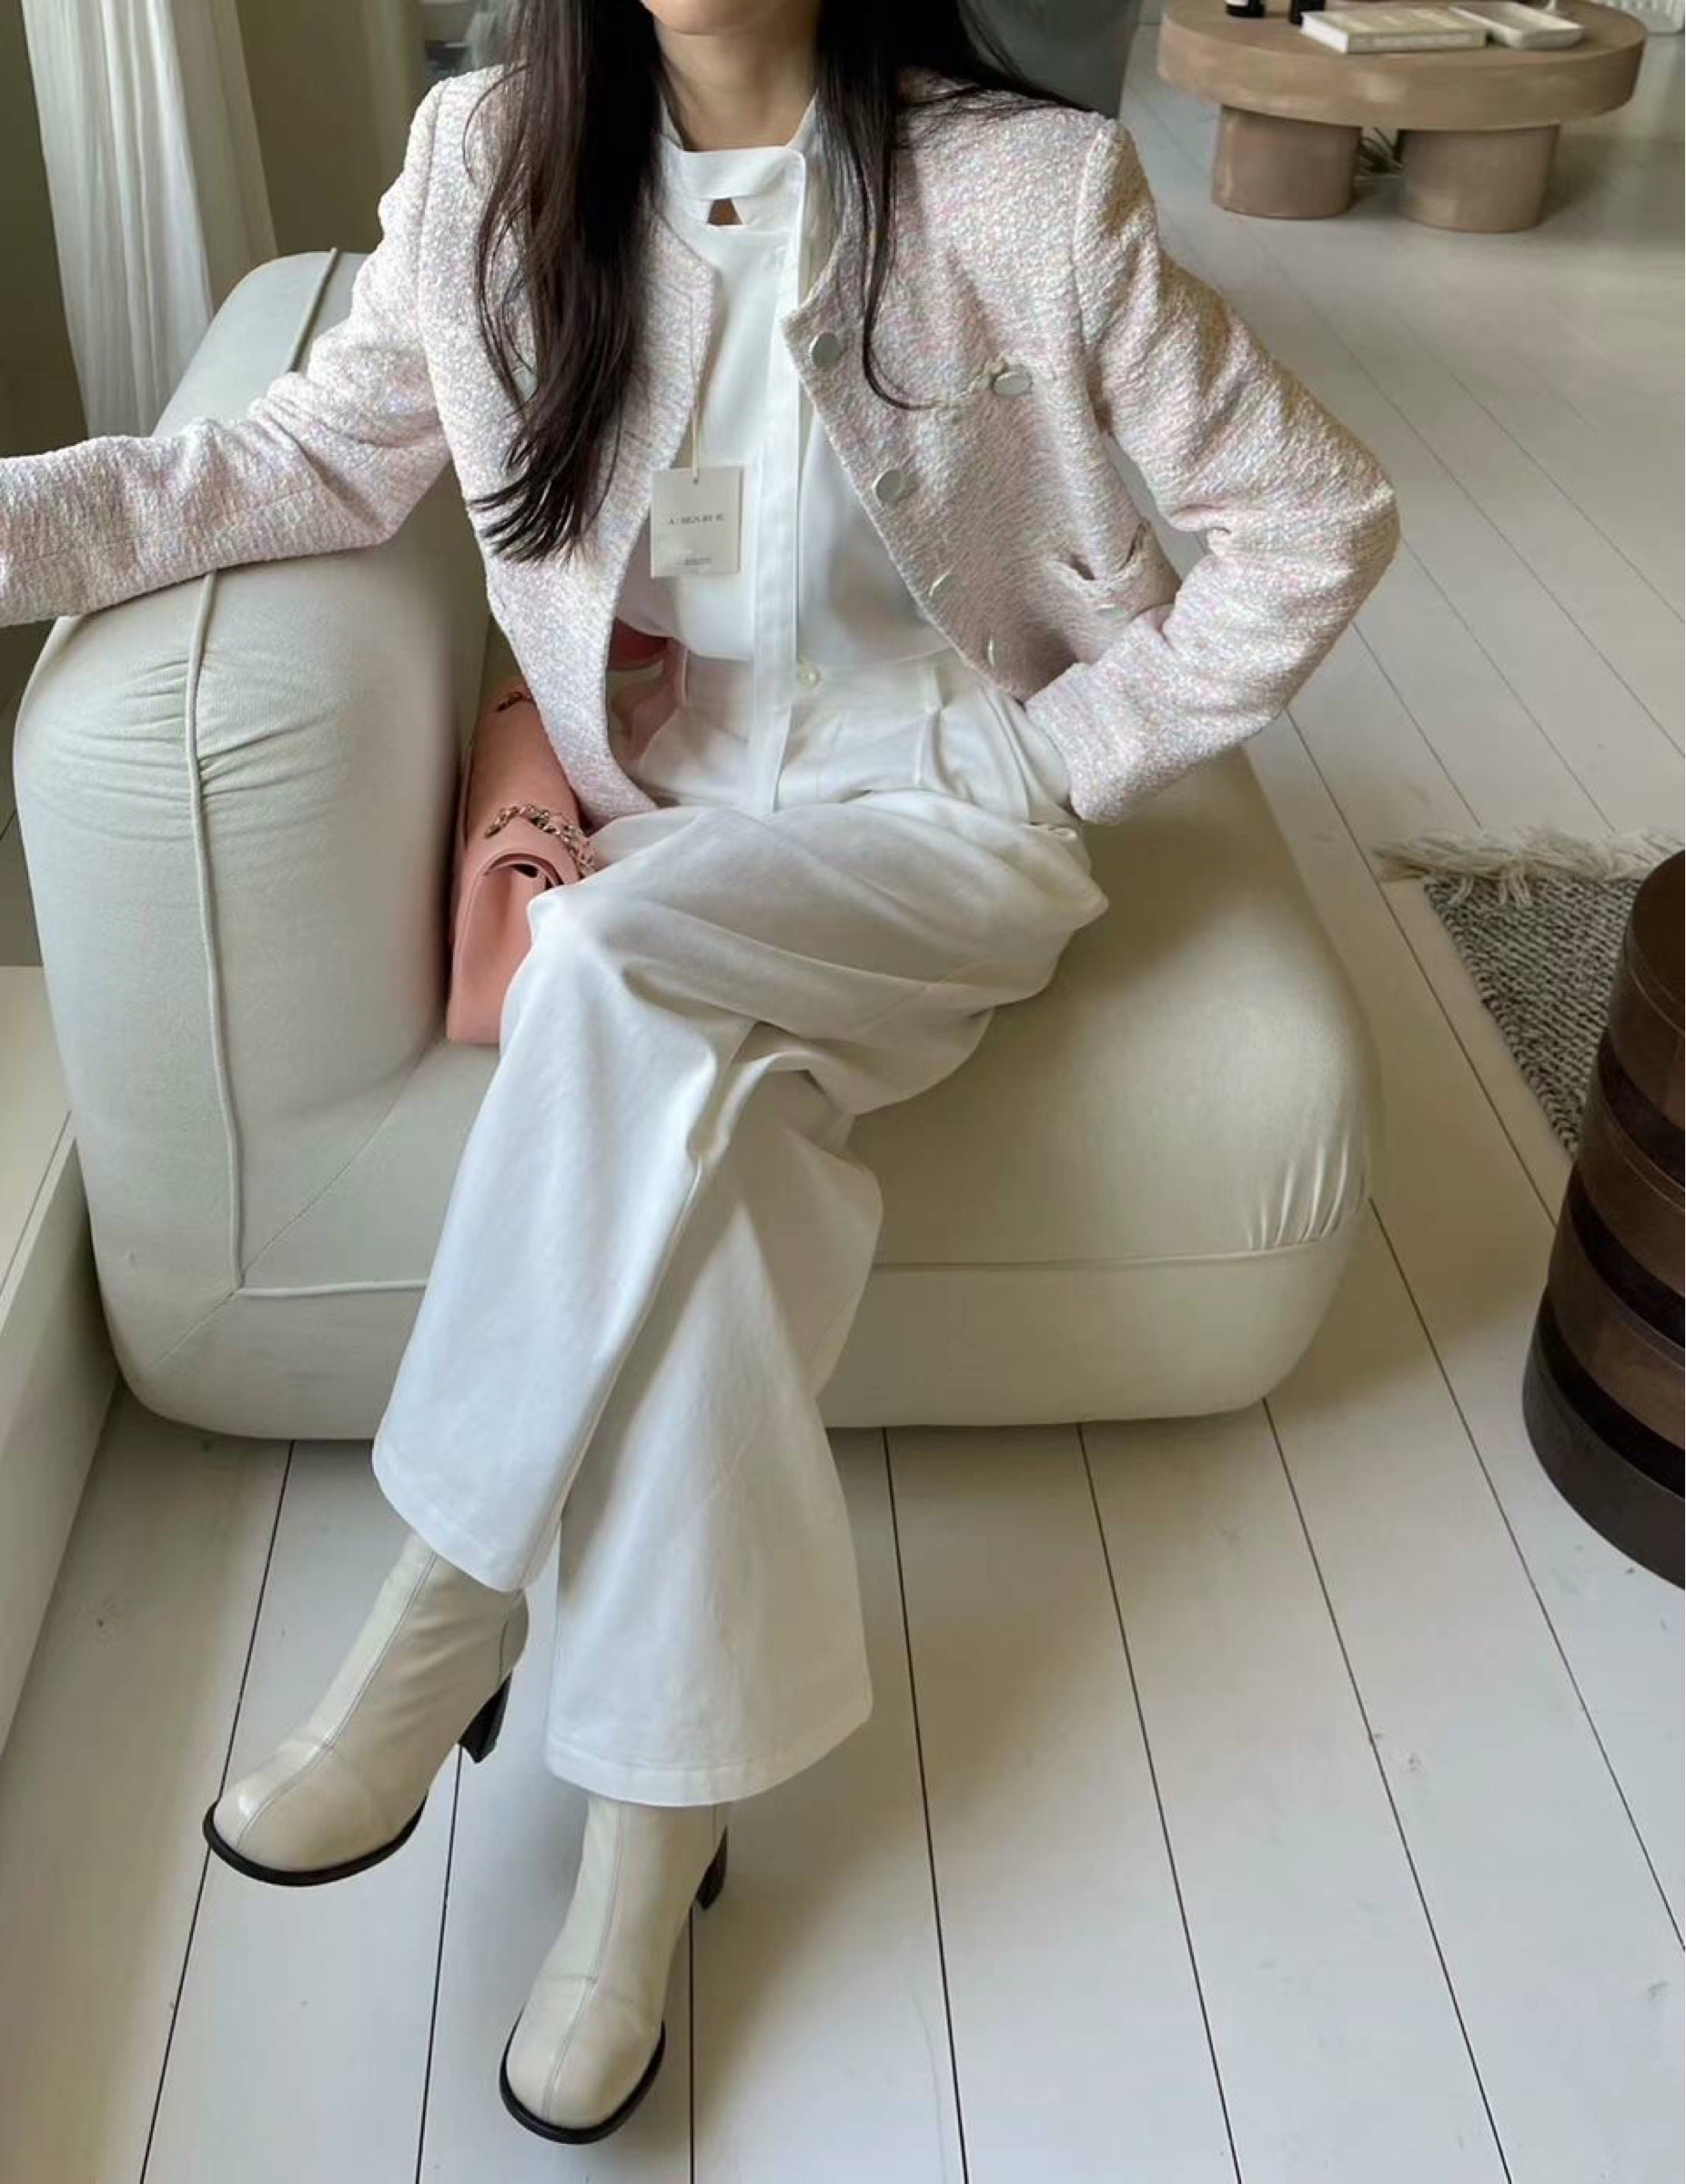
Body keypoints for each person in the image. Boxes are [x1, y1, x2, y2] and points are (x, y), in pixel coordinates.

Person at [0, 0, 1399, 2147]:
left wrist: (1064, 754)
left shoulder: (1030, 191)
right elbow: (301, 460)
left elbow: (1320, 515)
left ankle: (443, 1606)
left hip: (943, 824)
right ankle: (651, 1847)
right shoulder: (490, 168)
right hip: (671, 821)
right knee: (716, 1160)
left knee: (599, 962)